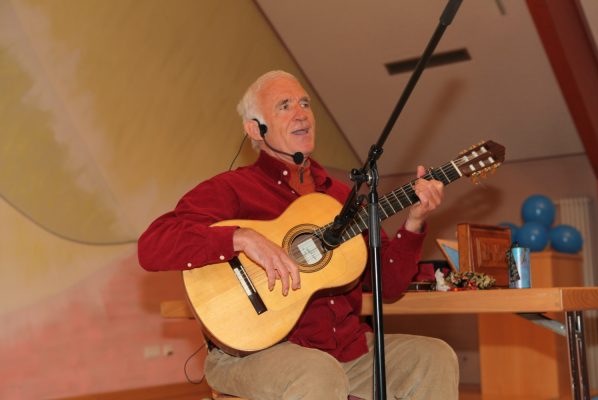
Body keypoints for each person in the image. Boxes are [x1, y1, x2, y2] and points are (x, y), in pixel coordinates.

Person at [138, 70, 458, 400]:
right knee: (318, 373)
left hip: (345, 351)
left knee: (433, 358)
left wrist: (414, 223)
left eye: (305, 103)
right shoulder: (233, 188)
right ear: (255, 129)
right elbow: (153, 245)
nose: (301, 112)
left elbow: (389, 284)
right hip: (253, 353)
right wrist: (242, 237)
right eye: (284, 105)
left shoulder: (341, 198)